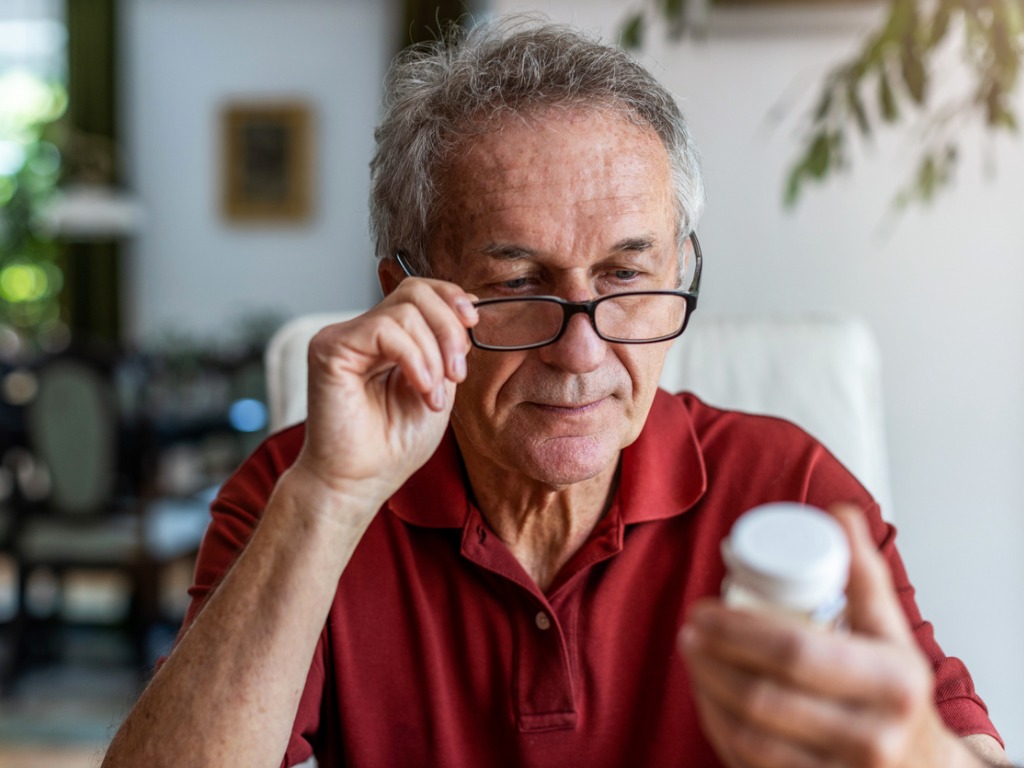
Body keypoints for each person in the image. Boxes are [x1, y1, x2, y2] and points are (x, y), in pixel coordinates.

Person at [104, 17, 1009, 768]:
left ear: (680, 270)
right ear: (404, 295)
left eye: (626, 276)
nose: (582, 353)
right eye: (514, 286)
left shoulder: (788, 486)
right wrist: (328, 502)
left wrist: (920, 749)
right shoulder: (293, 494)